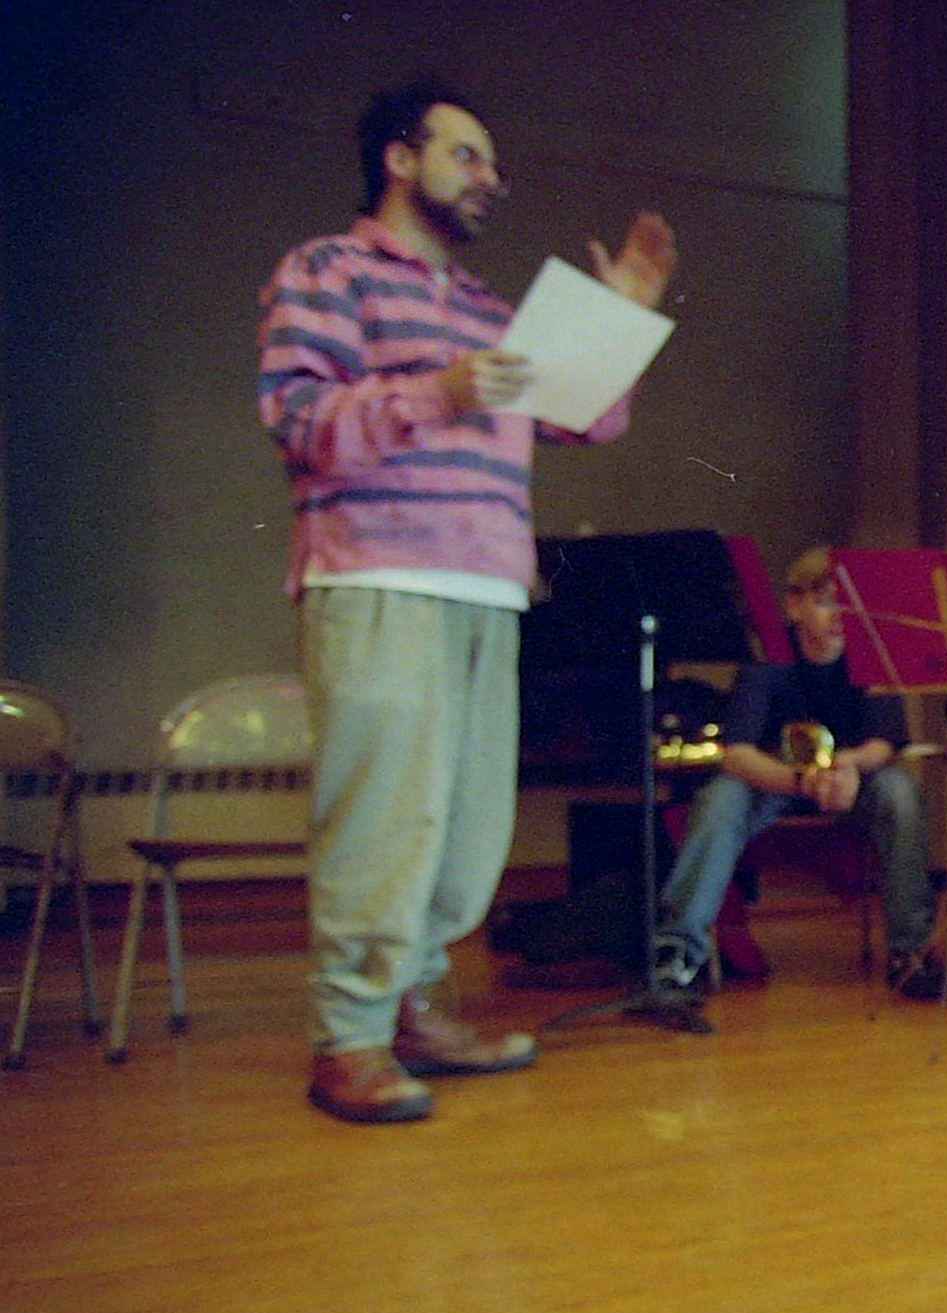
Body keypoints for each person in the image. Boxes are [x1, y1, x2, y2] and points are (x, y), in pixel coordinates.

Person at [258, 77, 678, 1123]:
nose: (491, 177)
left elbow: (587, 421)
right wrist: (436, 394)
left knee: (468, 827)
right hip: (377, 575)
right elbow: (299, 416)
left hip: (488, 585)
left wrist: (620, 317)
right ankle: (349, 1038)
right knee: (383, 820)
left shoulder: (489, 310)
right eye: (466, 155)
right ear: (399, 159)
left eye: (493, 161)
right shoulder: (327, 270)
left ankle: (411, 1010)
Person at [650, 547, 942, 1001]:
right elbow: (737, 755)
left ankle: (911, 951)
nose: (841, 615)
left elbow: (884, 743)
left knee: (899, 793)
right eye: (827, 601)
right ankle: (677, 953)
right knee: (721, 799)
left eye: (850, 603)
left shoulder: (872, 650)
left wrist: (846, 766)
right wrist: (804, 781)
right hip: (777, 777)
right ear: (795, 605)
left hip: (852, 777)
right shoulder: (767, 655)